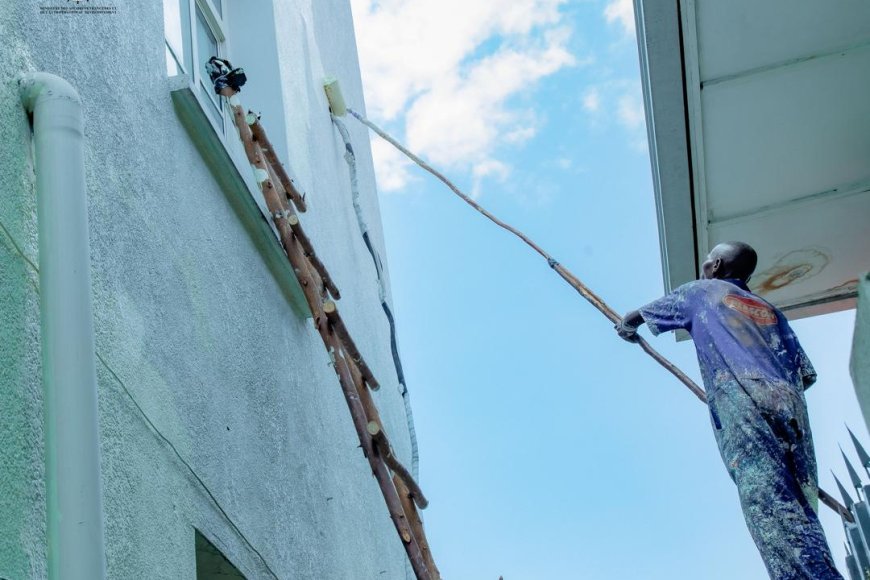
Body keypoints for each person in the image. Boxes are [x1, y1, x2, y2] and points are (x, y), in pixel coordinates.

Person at [615, 241, 842, 580]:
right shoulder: (768, 310)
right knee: (801, 502)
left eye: (708, 261)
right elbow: (805, 375)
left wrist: (626, 327)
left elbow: (634, 318)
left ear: (717, 265)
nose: (704, 265)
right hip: (790, 401)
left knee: (769, 503)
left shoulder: (701, 291)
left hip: (741, 393)